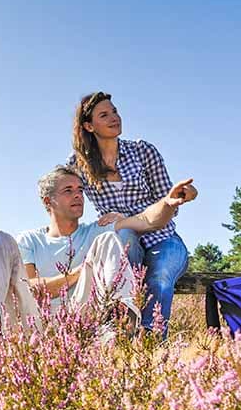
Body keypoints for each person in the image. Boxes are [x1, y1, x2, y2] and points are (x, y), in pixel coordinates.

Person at [0, 164, 195, 347]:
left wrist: (168, 203)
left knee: (110, 240)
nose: (78, 195)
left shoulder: (96, 230)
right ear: (48, 201)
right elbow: (31, 288)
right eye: (68, 190)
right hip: (35, 323)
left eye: (80, 190)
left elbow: (146, 221)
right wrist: (79, 273)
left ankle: (118, 327)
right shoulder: (30, 240)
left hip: (84, 319)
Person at [68, 91, 198, 335]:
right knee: (125, 237)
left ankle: (151, 341)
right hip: (122, 243)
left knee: (159, 276)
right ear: (88, 125)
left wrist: (182, 195)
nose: (114, 117)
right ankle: (120, 334)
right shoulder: (78, 165)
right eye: (104, 115)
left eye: (114, 111)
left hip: (162, 237)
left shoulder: (142, 151)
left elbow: (167, 199)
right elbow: (62, 193)